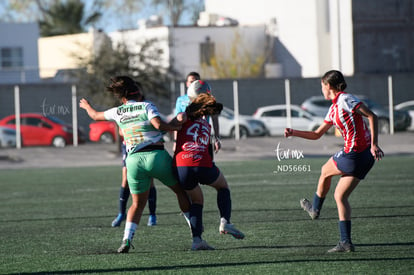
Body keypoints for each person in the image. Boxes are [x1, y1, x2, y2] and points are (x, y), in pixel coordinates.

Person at [79, 76, 191, 253]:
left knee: (137, 204)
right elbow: (158, 124)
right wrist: (176, 127)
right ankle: (195, 233)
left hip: (132, 161)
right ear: (138, 94)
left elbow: (94, 115)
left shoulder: (118, 111)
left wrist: (86, 106)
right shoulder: (147, 106)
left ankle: (126, 240)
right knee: (180, 192)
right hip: (156, 155)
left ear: (123, 98)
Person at [284, 70, 384, 253]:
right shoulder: (333, 108)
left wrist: (374, 144)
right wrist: (294, 132)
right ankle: (345, 242)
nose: (321, 89)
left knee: (324, 171)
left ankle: (314, 209)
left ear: (328, 86)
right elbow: (316, 134)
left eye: (322, 86)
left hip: (355, 154)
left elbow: (372, 116)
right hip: (364, 158)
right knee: (340, 196)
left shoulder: (345, 99)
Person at [174, 91, 245, 251]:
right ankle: (225, 222)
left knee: (197, 201)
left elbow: (175, 124)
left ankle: (197, 240)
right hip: (202, 163)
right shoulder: (207, 125)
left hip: (182, 166)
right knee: (223, 187)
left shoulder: (183, 116)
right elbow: (207, 150)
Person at [111, 130, 158, 227]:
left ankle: (152, 215)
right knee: (125, 180)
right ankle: (121, 213)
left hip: (146, 145)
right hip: (129, 145)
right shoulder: (125, 114)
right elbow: (120, 131)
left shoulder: (146, 114)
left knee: (150, 179)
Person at [174, 72, 221, 155]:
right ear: (187, 83)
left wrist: (217, 138)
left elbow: (214, 119)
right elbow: (177, 122)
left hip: (203, 137)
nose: (194, 84)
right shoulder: (181, 100)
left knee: (206, 164)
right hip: (186, 138)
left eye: (196, 81)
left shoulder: (208, 99)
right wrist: (175, 141)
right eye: (191, 82)